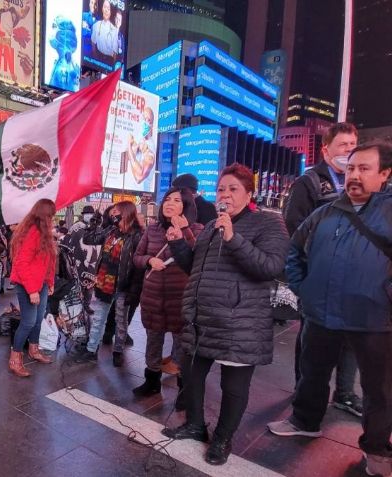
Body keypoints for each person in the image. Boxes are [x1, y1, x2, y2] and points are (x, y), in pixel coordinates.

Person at [268, 142, 392, 477]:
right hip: (321, 313)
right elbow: (294, 249)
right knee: (312, 372)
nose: (355, 175)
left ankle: (378, 449)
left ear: (385, 174)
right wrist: (302, 288)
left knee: (379, 390)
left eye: (364, 168)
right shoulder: (327, 210)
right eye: (351, 168)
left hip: (374, 321)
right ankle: (305, 421)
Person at [161, 164, 289, 466]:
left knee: (233, 387)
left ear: (249, 193)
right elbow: (194, 267)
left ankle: (222, 438)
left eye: (233, 189)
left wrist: (234, 238)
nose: (226, 195)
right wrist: (179, 242)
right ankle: (195, 425)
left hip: (240, 322)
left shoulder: (268, 224)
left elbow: (270, 267)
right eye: (221, 189)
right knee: (191, 375)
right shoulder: (210, 228)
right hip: (202, 318)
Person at [282, 122, 362, 416]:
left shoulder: (359, 181)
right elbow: (294, 225)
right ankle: (303, 389)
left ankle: (345, 393)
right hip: (318, 273)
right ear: (326, 149)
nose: (350, 150)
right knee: (311, 335)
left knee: (350, 335)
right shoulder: (311, 182)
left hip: (353, 277)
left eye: (354, 144)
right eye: (344, 145)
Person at [131, 187, 203, 400]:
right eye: (167, 199)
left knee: (181, 343)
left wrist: (185, 232)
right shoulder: (152, 229)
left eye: (177, 200)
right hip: (152, 297)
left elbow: (197, 258)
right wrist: (149, 260)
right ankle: (151, 382)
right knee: (153, 340)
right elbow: (137, 257)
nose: (170, 203)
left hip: (180, 298)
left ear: (186, 206)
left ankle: (183, 386)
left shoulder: (197, 229)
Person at [78, 202, 143, 366]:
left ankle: (118, 351)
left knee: (121, 321)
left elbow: (137, 265)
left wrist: (134, 289)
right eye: (113, 212)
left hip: (123, 285)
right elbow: (89, 239)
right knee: (99, 318)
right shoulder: (111, 231)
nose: (113, 214)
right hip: (104, 283)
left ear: (126, 213)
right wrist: (93, 223)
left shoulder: (137, 235)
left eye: (117, 212)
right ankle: (91, 349)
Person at [8, 199, 57, 377]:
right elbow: (21, 263)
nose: (53, 218)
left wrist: (49, 282)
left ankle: (34, 349)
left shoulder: (44, 232)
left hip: (41, 284)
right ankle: (15, 359)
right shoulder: (33, 232)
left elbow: (49, 261)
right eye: (51, 214)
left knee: (38, 320)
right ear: (45, 215)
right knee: (28, 322)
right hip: (27, 284)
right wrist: (32, 290)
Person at [90, 0, 120, 65]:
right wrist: (95, 59)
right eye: (105, 7)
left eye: (108, 9)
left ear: (111, 12)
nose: (106, 10)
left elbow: (115, 53)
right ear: (102, 9)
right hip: (97, 58)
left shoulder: (114, 30)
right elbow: (93, 43)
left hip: (109, 61)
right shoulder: (96, 25)